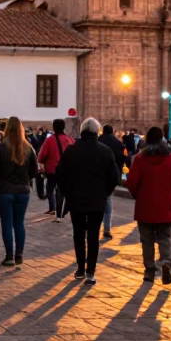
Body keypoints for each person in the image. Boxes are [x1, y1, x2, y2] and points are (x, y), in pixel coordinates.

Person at [57, 117, 119, 285]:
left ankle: (80, 268)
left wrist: (67, 192)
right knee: (93, 235)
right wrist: (105, 192)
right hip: (97, 200)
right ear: (96, 132)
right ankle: (91, 271)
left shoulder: (71, 151)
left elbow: (61, 175)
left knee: (78, 233)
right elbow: (114, 177)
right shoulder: (105, 151)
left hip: (76, 199)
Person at [126, 125, 171, 284]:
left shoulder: (139, 159)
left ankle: (149, 270)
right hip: (165, 207)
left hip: (145, 207)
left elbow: (131, 183)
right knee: (164, 238)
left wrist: (138, 196)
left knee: (147, 241)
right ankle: (166, 262)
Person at [0, 116, 38, 267]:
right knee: (19, 223)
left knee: (7, 224)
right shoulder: (29, 148)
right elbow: (34, 171)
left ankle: (9, 256)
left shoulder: (0, 148)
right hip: (23, 191)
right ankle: (19, 254)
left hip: (4, 191)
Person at [37, 118, 74, 220]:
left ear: (54, 127)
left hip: (52, 169)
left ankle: (53, 208)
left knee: (50, 188)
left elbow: (42, 155)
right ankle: (63, 210)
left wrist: (41, 163)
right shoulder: (70, 139)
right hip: (66, 170)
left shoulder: (49, 140)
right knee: (64, 190)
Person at [99, 122, 125, 237]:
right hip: (111, 176)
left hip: (98, 175)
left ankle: (95, 227)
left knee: (97, 204)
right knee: (108, 204)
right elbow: (124, 157)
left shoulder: (98, 140)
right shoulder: (118, 143)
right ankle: (107, 229)